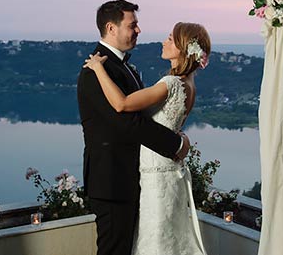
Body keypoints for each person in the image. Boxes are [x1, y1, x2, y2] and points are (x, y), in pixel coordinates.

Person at [83, 20, 211, 255]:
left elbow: (122, 104)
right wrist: (181, 142)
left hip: (156, 174)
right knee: (167, 237)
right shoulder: (188, 84)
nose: (164, 41)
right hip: (168, 170)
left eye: (170, 39)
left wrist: (98, 69)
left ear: (183, 48)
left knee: (155, 240)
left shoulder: (171, 83)